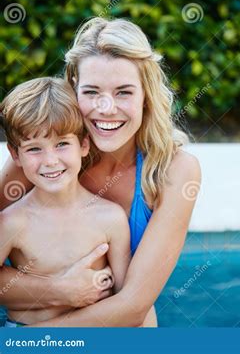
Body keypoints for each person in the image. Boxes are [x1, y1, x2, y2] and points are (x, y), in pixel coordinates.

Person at [0, 18, 201, 326]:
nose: (106, 108)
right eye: (92, 91)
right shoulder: (42, 159)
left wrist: (29, 342)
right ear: (73, 90)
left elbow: (133, 305)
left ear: (146, 95)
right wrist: (62, 291)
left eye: (123, 92)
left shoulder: (174, 171)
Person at [0, 77, 142, 326]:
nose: (50, 161)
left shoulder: (110, 218)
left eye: (62, 144)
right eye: (34, 149)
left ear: (84, 145)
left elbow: (127, 299)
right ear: (15, 155)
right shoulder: (12, 221)